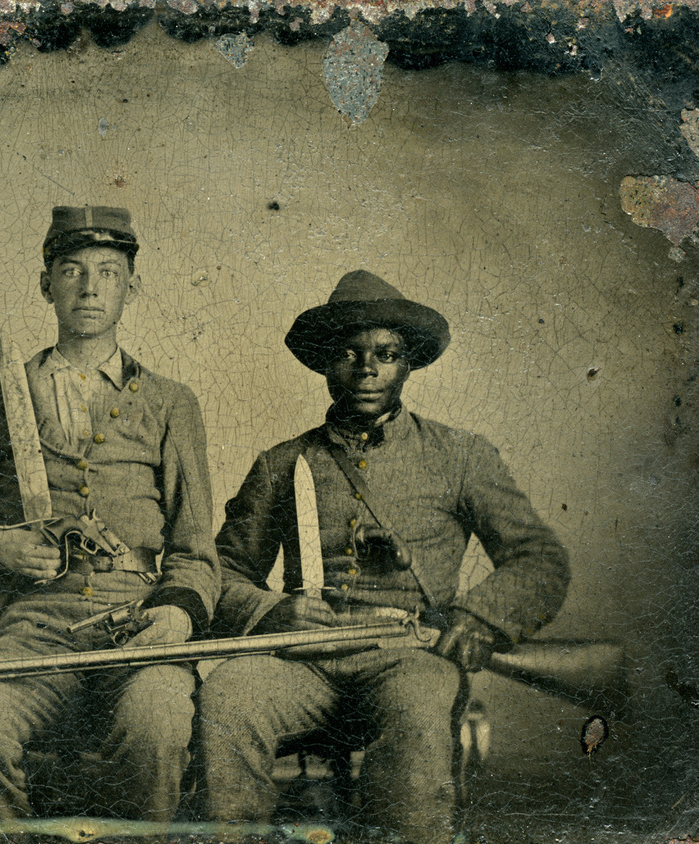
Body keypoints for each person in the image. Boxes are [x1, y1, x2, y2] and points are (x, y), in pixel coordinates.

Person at [196, 270, 571, 843]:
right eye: (348, 352)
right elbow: (221, 573)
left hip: (410, 655)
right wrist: (273, 612)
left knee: (420, 711)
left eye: (386, 353)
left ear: (408, 363)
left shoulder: (460, 456)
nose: (366, 368)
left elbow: (538, 557)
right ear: (325, 363)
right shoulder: (281, 464)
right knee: (230, 694)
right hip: (304, 662)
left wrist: (479, 619)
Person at [0, 206, 219, 822]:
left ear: (131, 288)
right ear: (46, 285)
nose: (89, 288)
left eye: (108, 273)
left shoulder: (171, 402)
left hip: (140, 621)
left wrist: (177, 613)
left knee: (158, 724)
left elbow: (195, 552)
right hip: (32, 624)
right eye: (71, 270)